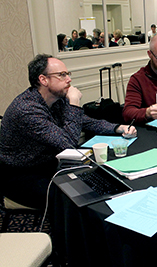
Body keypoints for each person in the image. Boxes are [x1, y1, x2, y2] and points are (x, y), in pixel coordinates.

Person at [0, 54, 137, 210]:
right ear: (43, 80)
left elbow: (84, 121)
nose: (69, 79)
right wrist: (74, 103)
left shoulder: (56, 99)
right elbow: (68, 144)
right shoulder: (27, 110)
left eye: (68, 74)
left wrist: (117, 128)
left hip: (47, 165)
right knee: (75, 198)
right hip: (20, 176)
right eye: (62, 75)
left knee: (100, 180)